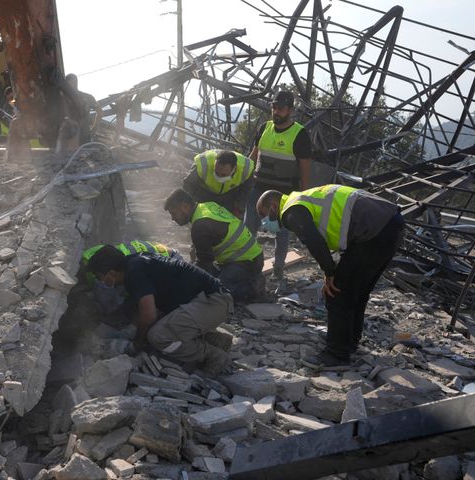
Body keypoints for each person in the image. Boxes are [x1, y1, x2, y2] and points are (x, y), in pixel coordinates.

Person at [256, 185, 404, 369]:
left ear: (273, 206)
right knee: (358, 292)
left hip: (373, 230)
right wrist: (331, 270)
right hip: (390, 223)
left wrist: (329, 272)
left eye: (264, 215)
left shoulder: (291, 210)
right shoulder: (304, 198)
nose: (264, 221)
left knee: (337, 293)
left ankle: (336, 355)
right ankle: (349, 343)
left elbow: (313, 240)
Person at [87, 245, 234, 376]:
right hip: (209, 301)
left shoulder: (134, 272)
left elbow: (149, 315)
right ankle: (215, 340)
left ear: (111, 273)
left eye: (100, 277)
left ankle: (213, 356)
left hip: (214, 302)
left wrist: (136, 344)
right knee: (154, 332)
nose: (100, 282)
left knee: (158, 337)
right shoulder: (134, 263)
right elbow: (142, 309)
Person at [244, 90, 313, 281]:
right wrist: (244, 178)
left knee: (282, 234)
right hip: (258, 189)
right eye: (274, 107)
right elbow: (254, 155)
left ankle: (278, 270)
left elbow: (305, 167)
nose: (276, 111)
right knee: (249, 228)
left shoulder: (299, 134)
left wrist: (303, 195)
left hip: (284, 194)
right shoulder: (264, 128)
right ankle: (246, 266)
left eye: (280, 108)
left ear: (290, 110)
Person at [164, 188, 264, 303]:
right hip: (253, 256)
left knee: (218, 293)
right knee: (211, 279)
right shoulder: (207, 206)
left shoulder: (200, 226)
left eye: (174, 213)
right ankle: (248, 279)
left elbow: (205, 264)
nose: (172, 218)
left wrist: (186, 282)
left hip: (246, 262)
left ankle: (254, 289)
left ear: (185, 207)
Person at [81, 240, 182, 314]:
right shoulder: (110, 257)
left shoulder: (131, 269)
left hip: (174, 265)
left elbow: (114, 306)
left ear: (111, 272)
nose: (97, 279)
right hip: (165, 255)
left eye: (98, 276)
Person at [183, 149, 255, 217]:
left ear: (234, 168)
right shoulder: (202, 163)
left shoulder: (246, 169)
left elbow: (246, 190)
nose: (219, 177)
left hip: (229, 194)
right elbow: (188, 184)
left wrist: (238, 208)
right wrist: (190, 205)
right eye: (216, 173)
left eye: (224, 175)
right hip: (204, 191)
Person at [65, 73, 103, 145]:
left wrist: (93, 130)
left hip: (78, 138)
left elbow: (100, 112)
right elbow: (100, 112)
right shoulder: (88, 97)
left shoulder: (64, 98)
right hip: (75, 137)